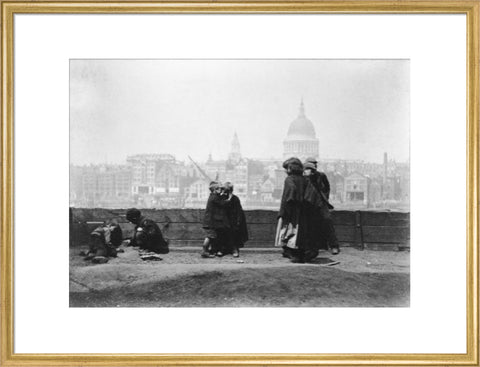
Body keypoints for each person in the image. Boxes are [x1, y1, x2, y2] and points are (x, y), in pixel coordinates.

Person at [304, 157, 340, 255]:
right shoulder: (304, 177)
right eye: (310, 165)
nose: (313, 166)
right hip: (309, 204)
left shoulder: (321, 176)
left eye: (314, 164)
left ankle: (334, 245)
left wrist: (325, 198)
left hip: (320, 203)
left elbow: (327, 188)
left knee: (327, 220)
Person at [275, 157, 308, 263]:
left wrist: (288, 204)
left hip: (291, 209)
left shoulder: (289, 179)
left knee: (288, 230)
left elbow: (290, 192)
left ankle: (290, 252)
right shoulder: (305, 179)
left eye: (286, 168)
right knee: (299, 231)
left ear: (290, 168)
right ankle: (298, 253)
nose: (285, 171)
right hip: (302, 210)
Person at [201, 181, 233, 257]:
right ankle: (204, 251)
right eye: (219, 189)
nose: (221, 190)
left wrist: (221, 192)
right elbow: (223, 203)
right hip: (210, 222)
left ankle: (206, 251)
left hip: (208, 221)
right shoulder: (214, 198)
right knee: (210, 237)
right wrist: (230, 197)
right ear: (215, 190)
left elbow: (219, 199)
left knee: (211, 236)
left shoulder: (212, 196)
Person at [223, 182, 248, 257]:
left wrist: (238, 221)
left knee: (234, 233)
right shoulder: (223, 198)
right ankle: (224, 249)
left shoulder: (235, 199)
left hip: (233, 220)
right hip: (225, 220)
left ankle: (234, 249)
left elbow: (238, 211)